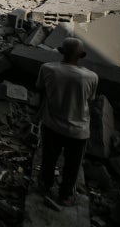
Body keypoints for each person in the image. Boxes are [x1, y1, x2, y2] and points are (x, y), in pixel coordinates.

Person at [36, 38, 98, 206]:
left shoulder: (47, 68)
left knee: (49, 159)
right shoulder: (91, 77)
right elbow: (89, 103)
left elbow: (42, 95)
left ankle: (45, 184)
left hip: (52, 125)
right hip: (78, 131)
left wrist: (38, 117)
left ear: (60, 51)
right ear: (82, 55)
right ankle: (65, 195)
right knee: (72, 166)